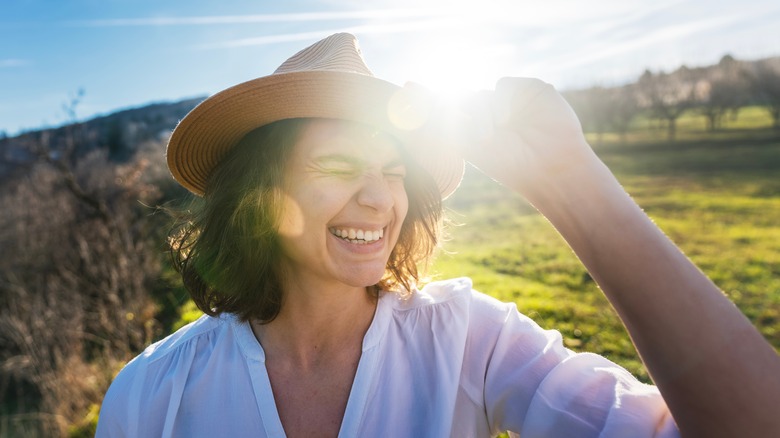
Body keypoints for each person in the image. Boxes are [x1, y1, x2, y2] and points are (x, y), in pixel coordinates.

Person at [96, 33, 780, 437]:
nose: (379, 198)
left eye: (394, 171)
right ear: (255, 199)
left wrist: (571, 180)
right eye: (338, 166)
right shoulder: (152, 392)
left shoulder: (471, 339)